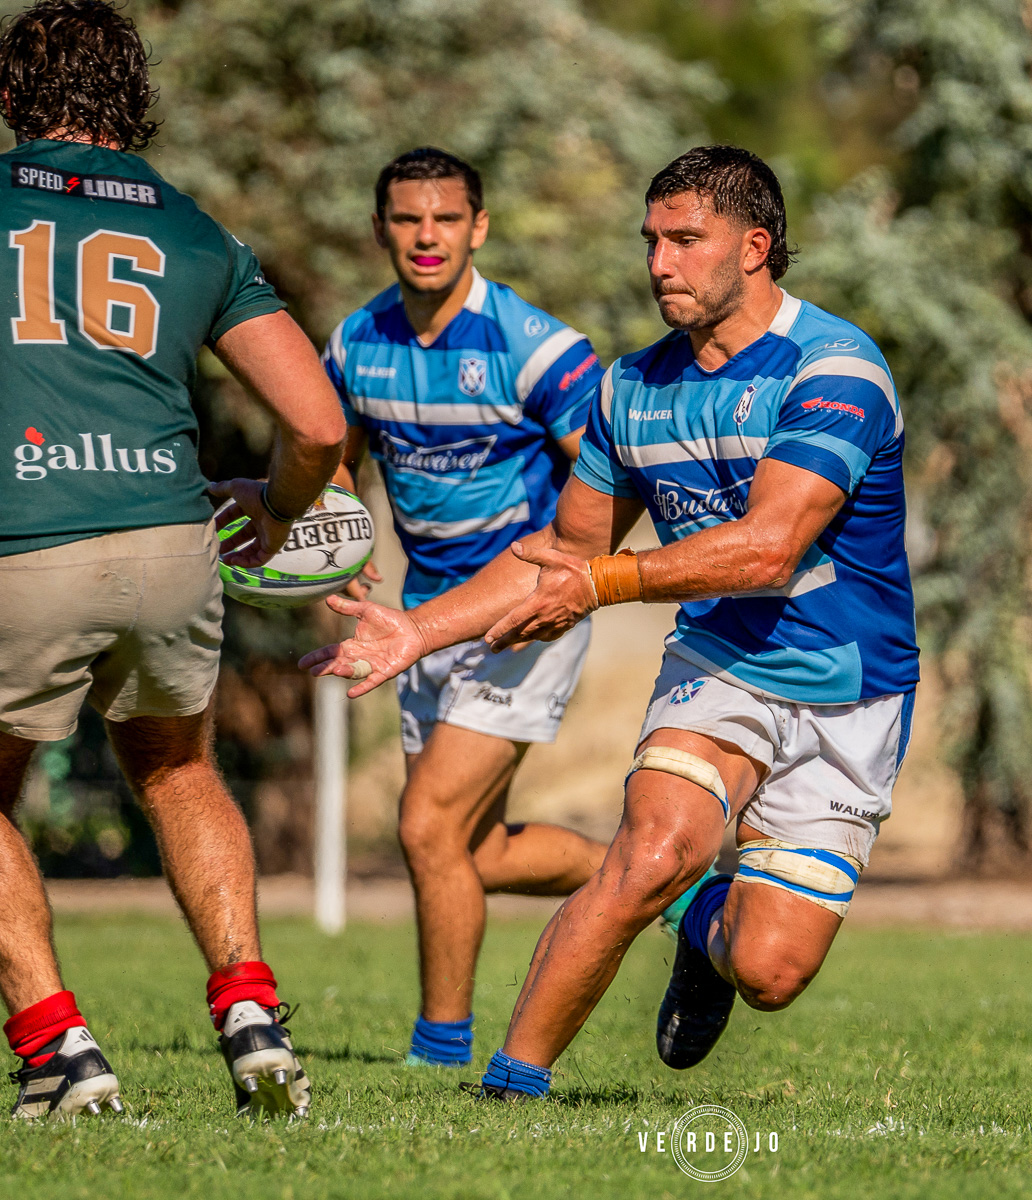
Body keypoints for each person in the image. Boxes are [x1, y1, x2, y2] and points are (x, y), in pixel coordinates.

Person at [0, 0, 345, 1119]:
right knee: (179, 768)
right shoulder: (198, 231)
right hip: (170, 543)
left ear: (10, 98)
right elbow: (319, 427)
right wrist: (279, 514)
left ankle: (61, 1054)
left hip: (17, 543)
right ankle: (250, 1012)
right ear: (134, 102)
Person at [301, 145, 918, 1098]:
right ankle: (510, 1086)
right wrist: (419, 631)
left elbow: (766, 551)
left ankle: (711, 927)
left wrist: (600, 583)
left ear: (755, 248)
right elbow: (558, 552)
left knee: (770, 971)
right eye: (651, 241)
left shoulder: (835, 369)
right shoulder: (630, 389)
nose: (659, 263)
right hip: (720, 662)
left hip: (853, 687)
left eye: (685, 240)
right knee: (650, 853)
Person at [321, 148, 615, 1070]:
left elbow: (608, 475)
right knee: (469, 851)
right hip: (417, 616)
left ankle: (440, 1050)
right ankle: (659, 886)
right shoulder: (356, 343)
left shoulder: (536, 348)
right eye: (408, 220)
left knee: (422, 828)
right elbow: (338, 452)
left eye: (446, 219)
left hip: (522, 612)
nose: (427, 237)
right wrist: (337, 543)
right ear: (381, 230)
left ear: (478, 228)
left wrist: (574, 582)